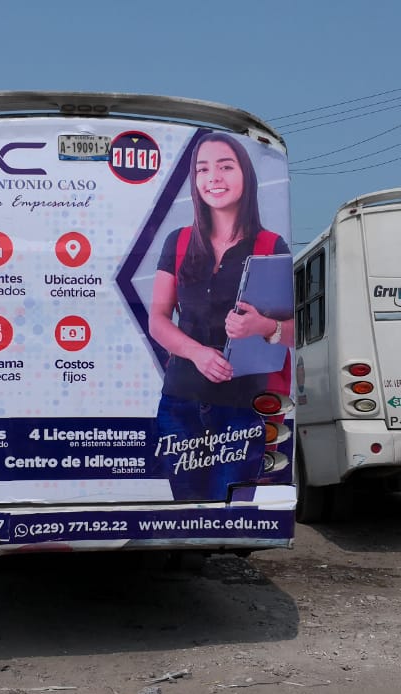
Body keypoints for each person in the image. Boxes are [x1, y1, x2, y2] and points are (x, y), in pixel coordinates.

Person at [147, 132, 293, 501]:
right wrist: (197, 353)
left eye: (225, 167)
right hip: (180, 402)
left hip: (242, 408)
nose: (213, 177)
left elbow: (296, 329)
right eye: (203, 169)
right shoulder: (178, 241)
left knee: (231, 510)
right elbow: (158, 319)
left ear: (245, 175)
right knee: (188, 510)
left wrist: (263, 326)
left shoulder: (271, 245)